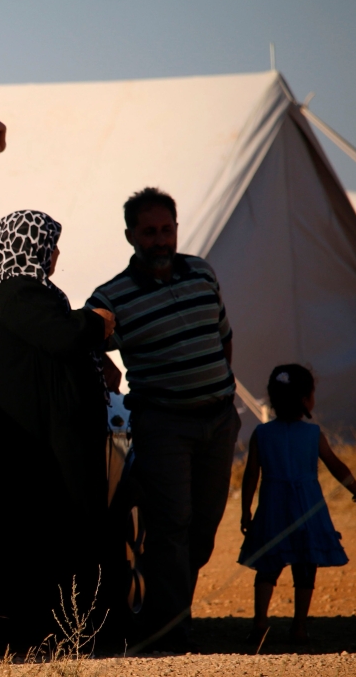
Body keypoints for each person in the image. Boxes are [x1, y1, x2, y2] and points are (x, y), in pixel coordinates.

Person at [86, 187, 240, 651]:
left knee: (203, 530)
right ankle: (169, 635)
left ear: (177, 228)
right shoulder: (112, 297)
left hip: (218, 421)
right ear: (131, 236)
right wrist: (106, 370)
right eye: (149, 232)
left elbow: (223, 335)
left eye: (166, 230)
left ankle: (166, 613)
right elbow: (84, 344)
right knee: (171, 527)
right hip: (163, 424)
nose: (159, 240)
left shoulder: (202, 273)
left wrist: (219, 388)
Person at [0, 209, 115, 650]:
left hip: (33, 444)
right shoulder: (18, 293)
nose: (56, 254)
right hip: (37, 449)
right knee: (50, 537)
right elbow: (63, 337)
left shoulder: (12, 294)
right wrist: (95, 321)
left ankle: (56, 632)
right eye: (51, 245)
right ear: (33, 247)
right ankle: (55, 634)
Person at [239, 364, 356, 645]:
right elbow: (336, 465)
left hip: (273, 509)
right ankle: (298, 627)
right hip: (307, 510)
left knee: (268, 565)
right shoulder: (313, 434)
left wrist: (246, 511)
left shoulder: (261, 434)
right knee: (305, 566)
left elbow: (251, 475)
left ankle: (261, 621)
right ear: (305, 399)